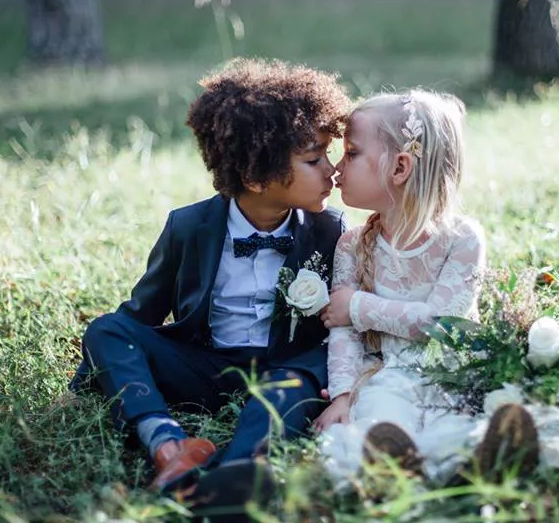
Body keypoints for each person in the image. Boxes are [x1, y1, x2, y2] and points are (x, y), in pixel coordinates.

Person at [70, 58, 351, 494]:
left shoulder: (331, 231)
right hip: (206, 368)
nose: (332, 171)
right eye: (314, 159)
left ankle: (233, 476)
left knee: (287, 389)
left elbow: (340, 328)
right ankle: (168, 446)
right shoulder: (188, 227)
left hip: (283, 370)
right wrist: (106, 364)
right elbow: (141, 315)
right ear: (256, 177)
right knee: (107, 328)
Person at [311, 89, 525, 483]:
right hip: (386, 374)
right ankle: (393, 465)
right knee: (379, 421)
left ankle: (467, 462)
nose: (337, 168)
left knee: (455, 423)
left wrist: (357, 306)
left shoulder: (462, 240)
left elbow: (442, 324)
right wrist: (342, 395)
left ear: (400, 168)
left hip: (453, 373)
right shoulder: (352, 245)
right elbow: (342, 333)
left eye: (352, 153)